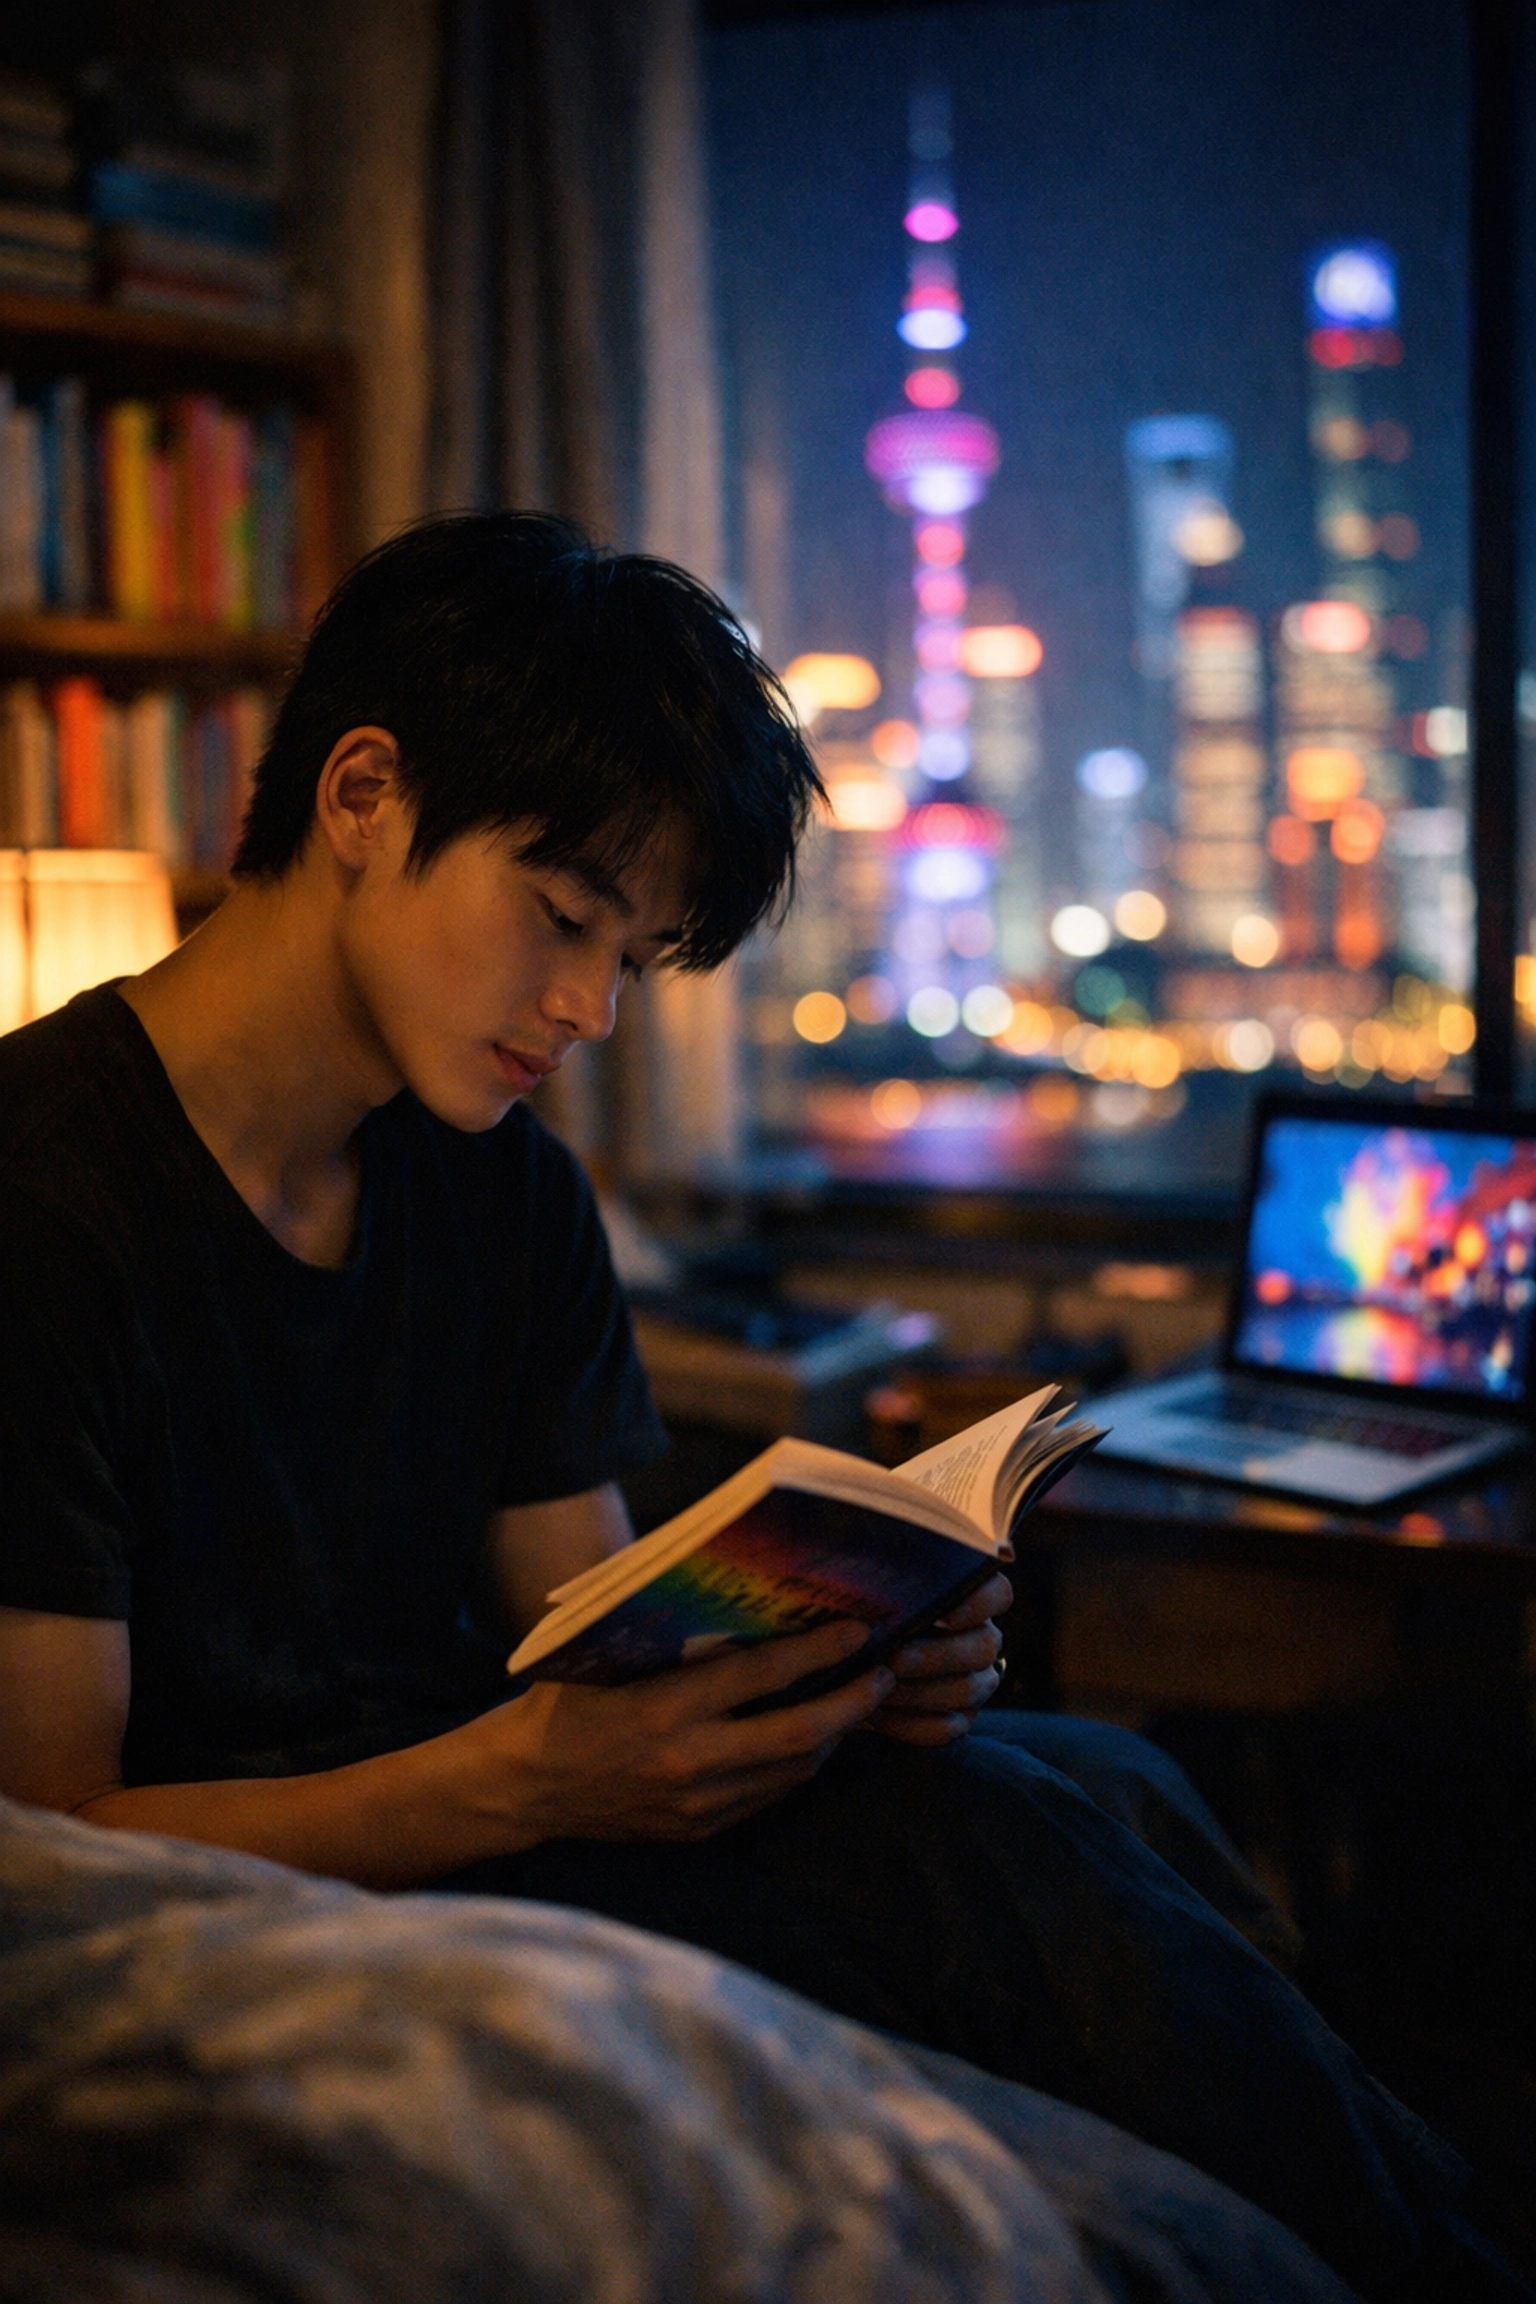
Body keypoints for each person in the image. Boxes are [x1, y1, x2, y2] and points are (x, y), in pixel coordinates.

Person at [0, 515, 1518, 2303]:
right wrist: (510, 1781)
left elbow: (588, 1632)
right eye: (563, 917)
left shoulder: (507, 1196)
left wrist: (839, 1654)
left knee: (1111, 1780)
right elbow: (54, 1843)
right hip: (302, 1898)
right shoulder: (44, 1191)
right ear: (361, 798)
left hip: (509, 1817)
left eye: (632, 961)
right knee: (1000, 1851)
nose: (585, 1008)